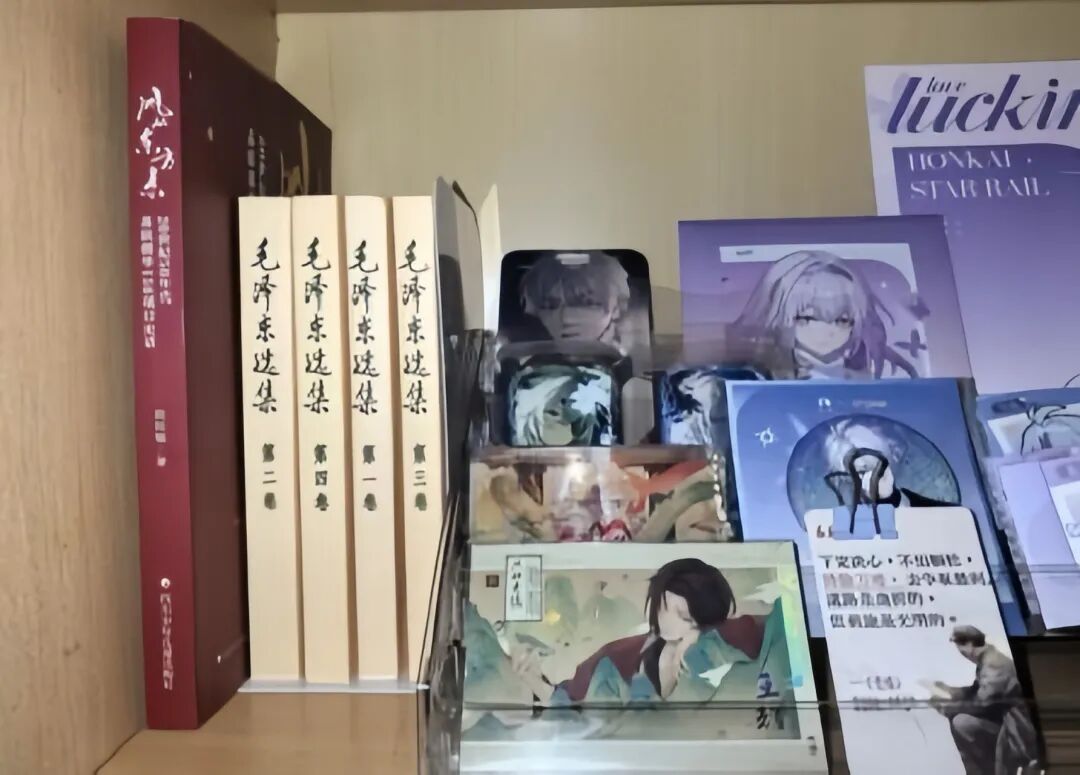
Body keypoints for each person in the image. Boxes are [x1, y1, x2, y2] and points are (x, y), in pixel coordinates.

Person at [511, 558, 764, 703]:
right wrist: (535, 680)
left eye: (683, 616)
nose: (665, 619)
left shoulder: (719, 645)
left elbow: (759, 630)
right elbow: (575, 703)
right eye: (661, 606)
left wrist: (699, 637)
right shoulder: (619, 656)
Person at [735, 250, 918, 380]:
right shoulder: (754, 375)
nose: (827, 331)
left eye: (842, 321)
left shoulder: (869, 372)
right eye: (807, 319)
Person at [929, 625, 1040, 775]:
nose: (962, 654)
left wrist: (947, 708)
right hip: (1005, 722)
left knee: (962, 723)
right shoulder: (988, 659)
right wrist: (949, 690)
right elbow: (976, 690)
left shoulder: (994, 665)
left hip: (1016, 731)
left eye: (960, 648)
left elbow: (982, 704)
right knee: (960, 721)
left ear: (969, 644)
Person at [820, 418, 954, 511]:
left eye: (867, 469)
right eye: (858, 473)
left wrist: (890, 499)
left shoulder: (940, 509)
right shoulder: (832, 518)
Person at [517, 253, 633, 351]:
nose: (566, 318)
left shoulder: (632, 362)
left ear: (616, 308)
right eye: (550, 305)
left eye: (587, 303)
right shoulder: (526, 363)